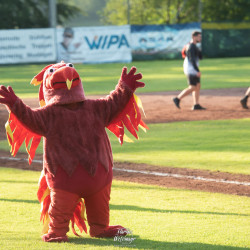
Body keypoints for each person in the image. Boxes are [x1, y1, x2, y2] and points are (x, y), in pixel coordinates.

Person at [173, 31, 205, 110]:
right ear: (194, 37)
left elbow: (200, 57)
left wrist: (199, 50)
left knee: (197, 86)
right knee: (193, 87)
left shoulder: (194, 46)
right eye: (199, 37)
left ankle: (196, 104)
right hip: (191, 69)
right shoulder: (191, 46)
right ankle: (177, 98)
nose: (200, 38)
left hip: (192, 68)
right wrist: (197, 70)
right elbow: (192, 60)